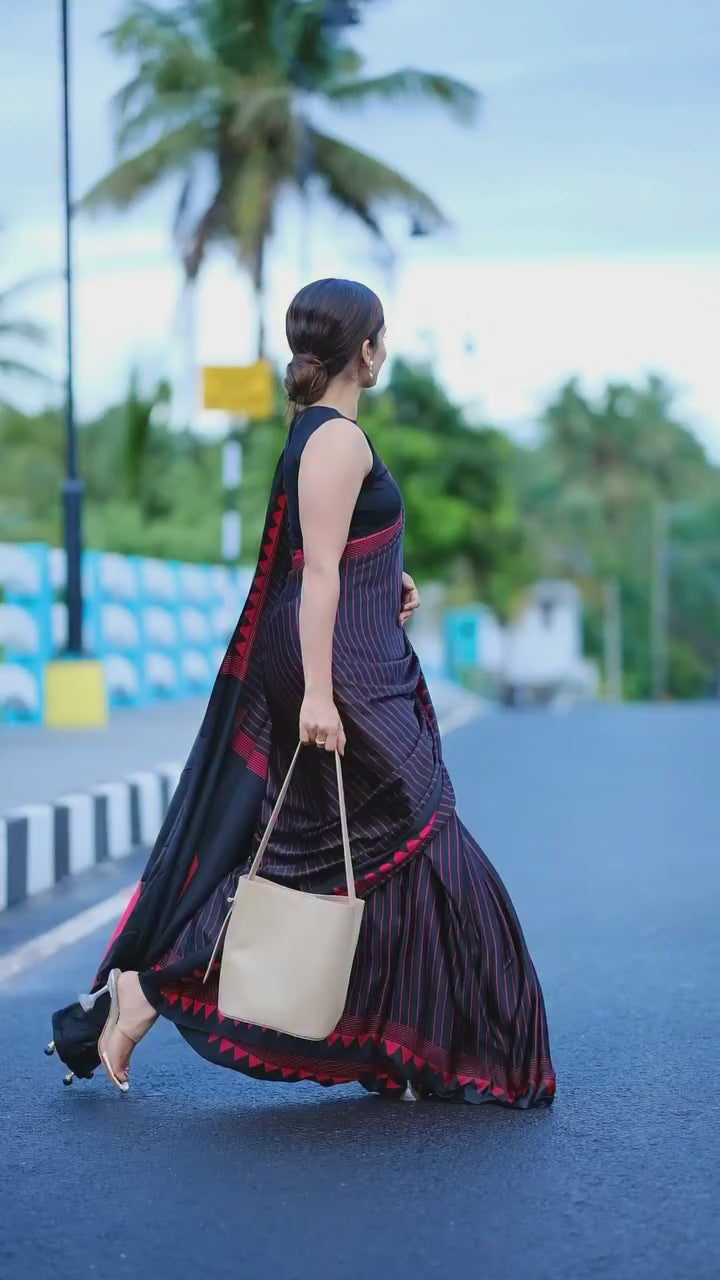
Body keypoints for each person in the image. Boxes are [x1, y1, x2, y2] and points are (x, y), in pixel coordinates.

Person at [49, 278, 556, 1107]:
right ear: (367, 351)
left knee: (330, 854)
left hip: (345, 655)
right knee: (419, 830)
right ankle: (162, 990)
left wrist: (387, 580)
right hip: (339, 674)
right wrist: (319, 694)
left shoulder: (321, 436)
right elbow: (315, 574)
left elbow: (335, 555)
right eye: (383, 339)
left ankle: (156, 997)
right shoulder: (336, 440)